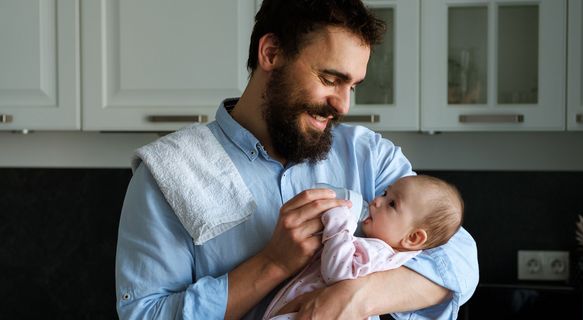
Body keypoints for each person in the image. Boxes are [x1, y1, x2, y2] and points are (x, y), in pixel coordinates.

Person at [115, 0, 479, 319]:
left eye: (352, 86)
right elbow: (146, 314)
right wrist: (271, 264)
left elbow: (459, 257)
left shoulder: (369, 155)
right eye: (330, 78)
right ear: (271, 53)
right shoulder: (167, 174)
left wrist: (354, 297)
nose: (343, 105)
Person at [263, 175, 464, 319]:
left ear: (412, 238)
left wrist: (339, 221)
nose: (377, 201)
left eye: (392, 204)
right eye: (385, 193)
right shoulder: (377, 246)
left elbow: (337, 271)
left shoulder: (379, 252)